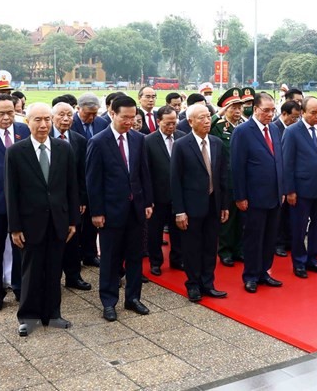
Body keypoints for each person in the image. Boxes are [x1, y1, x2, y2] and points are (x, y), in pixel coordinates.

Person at [6, 103, 79, 337]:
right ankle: (28, 316)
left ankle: (53, 313)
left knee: (54, 268)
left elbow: (71, 187)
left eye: (47, 119)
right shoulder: (16, 151)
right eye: (37, 119)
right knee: (31, 270)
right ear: (27, 122)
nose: (43, 124)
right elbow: (11, 192)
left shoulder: (63, 149)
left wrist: (73, 221)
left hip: (58, 220)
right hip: (29, 223)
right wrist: (15, 227)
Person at [86, 95, 154, 322]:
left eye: (132, 117)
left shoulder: (139, 139)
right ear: (112, 114)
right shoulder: (98, 141)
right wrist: (97, 212)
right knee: (110, 259)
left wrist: (147, 202)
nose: (129, 122)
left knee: (135, 257)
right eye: (124, 117)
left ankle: (133, 298)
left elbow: (144, 174)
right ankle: (109, 301)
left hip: (136, 209)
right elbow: (93, 181)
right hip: (110, 211)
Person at [172, 104, 229, 302]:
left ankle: (208, 283)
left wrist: (224, 205)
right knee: (192, 247)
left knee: (210, 246)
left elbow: (222, 177)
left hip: (213, 203)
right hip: (191, 206)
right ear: (190, 122)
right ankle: (193, 284)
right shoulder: (181, 144)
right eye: (202, 118)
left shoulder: (216, 143)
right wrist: (179, 211)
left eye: (208, 117)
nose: (207, 121)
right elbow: (175, 180)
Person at [231, 92, 284, 293]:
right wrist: (240, 196)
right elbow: (237, 167)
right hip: (253, 196)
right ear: (255, 109)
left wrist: (283, 189)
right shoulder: (243, 132)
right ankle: (251, 275)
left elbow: (279, 161)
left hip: (275, 195)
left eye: (273, 110)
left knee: (270, 237)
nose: (270, 114)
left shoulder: (275, 130)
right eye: (266, 110)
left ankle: (264, 272)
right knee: (254, 237)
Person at [0, 94, 30, 313]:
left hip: (22, 201)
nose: (6, 117)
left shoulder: (24, 130)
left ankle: (20, 286)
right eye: (1, 113)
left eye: (10, 112)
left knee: (21, 244)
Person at [282, 96, 317, 278]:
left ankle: (313, 259)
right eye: (313, 112)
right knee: (299, 227)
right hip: (301, 189)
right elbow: (287, 164)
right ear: (303, 113)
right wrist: (289, 190)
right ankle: (299, 262)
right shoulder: (292, 132)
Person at [51, 101, 92, 290]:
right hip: (49, 198)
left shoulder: (79, 140)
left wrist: (82, 198)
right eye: (61, 115)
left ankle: (73, 276)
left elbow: (83, 172)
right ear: (52, 117)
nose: (66, 119)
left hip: (72, 198)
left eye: (69, 115)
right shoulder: (41, 136)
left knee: (73, 237)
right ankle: (51, 277)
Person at [145, 106, 186, 276]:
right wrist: (148, 199)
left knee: (178, 231)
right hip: (157, 196)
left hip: (178, 196)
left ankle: (177, 259)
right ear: (158, 121)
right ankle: (156, 262)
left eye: (174, 122)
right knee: (154, 232)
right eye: (167, 123)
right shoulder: (148, 141)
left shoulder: (182, 138)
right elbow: (145, 172)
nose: (171, 126)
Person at [70, 92, 108, 268]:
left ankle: (90, 253)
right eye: (88, 114)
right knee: (78, 219)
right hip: (78, 176)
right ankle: (75, 253)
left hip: (97, 177)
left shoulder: (102, 123)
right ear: (78, 109)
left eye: (95, 113)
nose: (92, 117)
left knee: (94, 218)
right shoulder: (71, 123)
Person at [209, 88, 245, 267]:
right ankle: (225, 251)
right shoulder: (219, 127)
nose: (237, 111)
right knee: (227, 218)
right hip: (227, 180)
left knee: (241, 219)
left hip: (243, 181)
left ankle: (238, 249)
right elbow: (207, 128)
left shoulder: (243, 126)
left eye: (239, 107)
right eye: (233, 108)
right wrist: (218, 114)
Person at [273, 100, 302, 257]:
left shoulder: (296, 129)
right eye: (294, 116)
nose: (296, 120)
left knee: (292, 213)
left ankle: (290, 240)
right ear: (284, 114)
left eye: (298, 117)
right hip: (278, 178)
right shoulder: (274, 128)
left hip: (293, 177)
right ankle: (278, 243)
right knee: (280, 214)